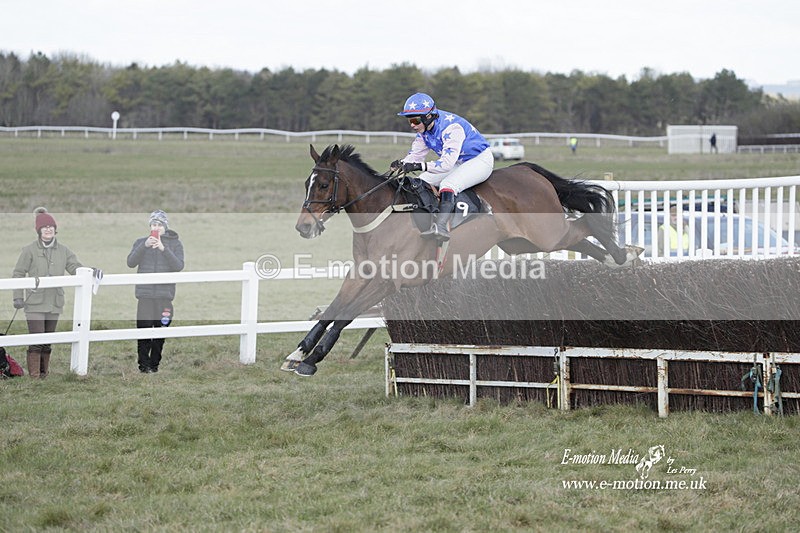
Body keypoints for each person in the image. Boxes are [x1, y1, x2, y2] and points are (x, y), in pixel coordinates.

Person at [391, 92, 494, 242]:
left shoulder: (452, 128)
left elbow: (446, 164)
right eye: (409, 120)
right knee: (421, 181)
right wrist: (402, 164)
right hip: (458, 162)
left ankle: (441, 226)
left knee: (448, 184)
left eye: (415, 120)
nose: (412, 125)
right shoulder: (423, 131)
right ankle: (429, 217)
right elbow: (415, 156)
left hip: (479, 160)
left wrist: (419, 165)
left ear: (428, 117)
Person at [12, 208, 84, 378]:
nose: (48, 230)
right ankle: (35, 377)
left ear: (55, 229)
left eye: (51, 227)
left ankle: (44, 375)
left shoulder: (64, 250)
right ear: (39, 230)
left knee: (47, 342)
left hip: (54, 303)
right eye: (45, 227)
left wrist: (88, 272)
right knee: (36, 341)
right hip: (34, 303)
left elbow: (75, 267)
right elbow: (18, 273)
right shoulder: (29, 250)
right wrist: (17, 297)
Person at [126, 210, 184, 373]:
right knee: (143, 330)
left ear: (165, 227)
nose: (156, 228)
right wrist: (144, 247)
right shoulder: (140, 242)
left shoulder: (175, 244)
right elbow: (130, 262)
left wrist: (163, 249)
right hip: (144, 296)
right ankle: (143, 367)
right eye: (153, 224)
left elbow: (178, 266)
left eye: (159, 225)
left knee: (161, 330)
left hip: (165, 297)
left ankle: (154, 365)